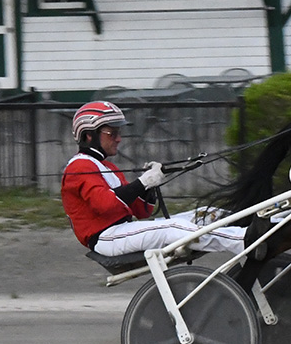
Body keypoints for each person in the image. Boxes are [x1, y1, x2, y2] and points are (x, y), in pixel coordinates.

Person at [61, 100, 245, 257]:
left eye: (118, 133)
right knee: (174, 228)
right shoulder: (79, 166)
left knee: (205, 214)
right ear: (89, 135)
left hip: (120, 232)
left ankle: (250, 222)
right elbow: (104, 205)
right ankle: (244, 240)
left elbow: (142, 211)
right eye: (112, 133)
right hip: (105, 238)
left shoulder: (109, 168)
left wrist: (150, 184)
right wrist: (143, 182)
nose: (119, 139)